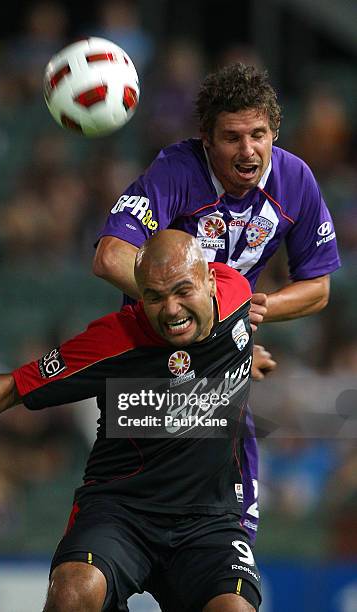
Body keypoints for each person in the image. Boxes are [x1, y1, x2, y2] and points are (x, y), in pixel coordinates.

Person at [0, 230, 263, 612]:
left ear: (211, 280)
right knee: (73, 592)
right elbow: (16, 384)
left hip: (208, 519)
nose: (172, 310)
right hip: (122, 511)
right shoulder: (115, 340)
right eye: (155, 297)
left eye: (182, 291)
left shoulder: (236, 295)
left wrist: (253, 356)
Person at [93, 63, 341, 542]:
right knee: (131, 522)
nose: (248, 150)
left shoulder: (295, 180)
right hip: (149, 363)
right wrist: (202, 318)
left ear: (275, 132)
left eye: (258, 134)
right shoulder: (177, 170)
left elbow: (318, 288)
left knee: (231, 531)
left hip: (217, 366)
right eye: (232, 137)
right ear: (206, 139)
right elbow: (111, 257)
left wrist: (250, 311)